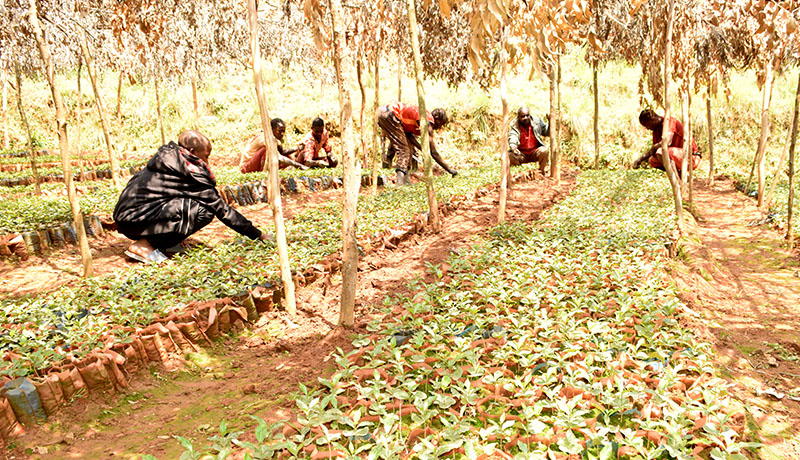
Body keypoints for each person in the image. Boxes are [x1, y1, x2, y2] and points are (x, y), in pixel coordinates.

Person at [114, 130, 271, 263]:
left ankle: (165, 242)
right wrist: (258, 235)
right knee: (205, 210)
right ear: (193, 152)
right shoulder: (188, 171)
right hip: (136, 219)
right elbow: (221, 209)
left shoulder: (170, 159)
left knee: (190, 205)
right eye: (206, 156)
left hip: (127, 217)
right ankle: (144, 245)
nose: (207, 162)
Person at [377, 102, 458, 185]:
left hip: (385, 112)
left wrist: (421, 148)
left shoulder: (422, 116)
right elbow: (433, 152)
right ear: (437, 119)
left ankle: (405, 180)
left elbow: (409, 136)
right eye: (441, 124)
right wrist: (450, 170)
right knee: (403, 150)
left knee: (408, 148)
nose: (439, 127)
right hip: (390, 113)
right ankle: (399, 184)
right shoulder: (427, 121)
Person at [634, 109, 700, 175]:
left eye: (646, 125)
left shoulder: (669, 121)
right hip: (677, 157)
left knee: (660, 152)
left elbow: (667, 142)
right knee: (652, 160)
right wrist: (640, 160)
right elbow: (653, 151)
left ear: (652, 119)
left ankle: (676, 177)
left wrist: (655, 147)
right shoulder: (656, 130)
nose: (647, 128)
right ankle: (679, 174)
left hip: (691, 158)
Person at [239, 118, 307, 173]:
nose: (282, 134)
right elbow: (278, 156)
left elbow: (282, 152)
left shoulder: (274, 139)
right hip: (246, 167)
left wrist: (296, 148)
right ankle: (264, 173)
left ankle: (285, 169)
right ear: (271, 129)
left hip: (255, 164)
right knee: (266, 150)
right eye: (279, 131)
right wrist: (298, 165)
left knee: (287, 156)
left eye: (283, 131)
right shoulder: (264, 138)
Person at [507, 106, 550, 175]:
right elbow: (513, 136)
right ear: (519, 117)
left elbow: (547, 132)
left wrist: (550, 122)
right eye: (523, 116)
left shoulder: (536, 122)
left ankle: (542, 172)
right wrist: (513, 146)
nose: (526, 118)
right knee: (508, 156)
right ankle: (518, 173)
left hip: (535, 152)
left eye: (527, 115)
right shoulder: (515, 125)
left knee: (544, 150)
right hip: (521, 154)